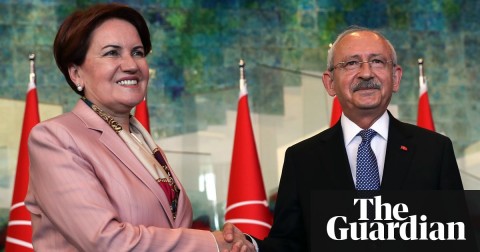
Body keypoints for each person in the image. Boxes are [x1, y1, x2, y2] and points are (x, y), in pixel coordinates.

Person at [24, 3, 254, 251]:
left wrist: (234, 241)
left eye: (138, 52)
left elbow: (171, 232)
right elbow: (107, 241)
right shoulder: (55, 138)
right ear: (76, 73)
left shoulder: (140, 141)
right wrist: (212, 243)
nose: (131, 64)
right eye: (112, 53)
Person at [254, 26, 468, 251]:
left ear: (395, 77)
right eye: (351, 63)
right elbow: (288, 244)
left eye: (377, 61)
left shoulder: (434, 151)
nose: (366, 73)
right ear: (330, 83)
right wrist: (250, 246)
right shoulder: (302, 159)